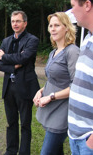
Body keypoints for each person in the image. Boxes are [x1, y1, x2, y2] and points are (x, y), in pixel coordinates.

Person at [33, 12, 79, 155]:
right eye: (51, 25)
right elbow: (54, 80)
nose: (52, 29)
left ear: (66, 28)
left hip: (63, 111)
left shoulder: (72, 52)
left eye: (57, 25)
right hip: (50, 108)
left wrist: (51, 96)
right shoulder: (53, 52)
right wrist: (40, 91)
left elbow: (76, 87)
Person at [0, 10, 40, 155]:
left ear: (25, 23)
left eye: (18, 21)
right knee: (11, 123)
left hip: (25, 87)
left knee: (25, 124)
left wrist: (5, 57)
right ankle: (11, 150)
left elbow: (24, 58)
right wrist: (13, 64)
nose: (15, 24)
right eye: (13, 21)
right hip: (9, 87)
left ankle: (24, 152)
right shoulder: (6, 41)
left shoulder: (32, 40)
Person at [68, 0, 93, 154]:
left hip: (91, 141)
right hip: (77, 137)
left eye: (73, 6)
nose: (71, 11)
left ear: (87, 5)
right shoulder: (89, 37)